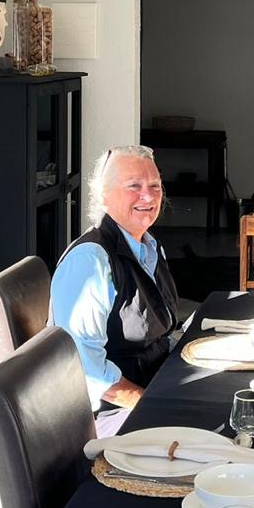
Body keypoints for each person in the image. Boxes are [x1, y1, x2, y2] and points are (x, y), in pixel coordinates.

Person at [50, 145, 180, 412]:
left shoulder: (149, 246)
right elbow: (87, 370)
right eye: (134, 186)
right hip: (112, 412)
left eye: (155, 186)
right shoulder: (90, 261)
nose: (148, 195)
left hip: (155, 382)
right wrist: (153, 407)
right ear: (104, 196)